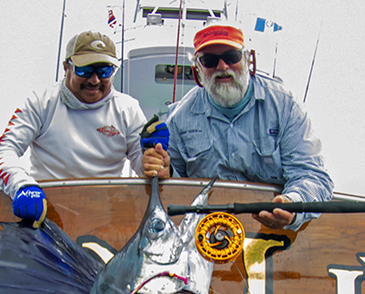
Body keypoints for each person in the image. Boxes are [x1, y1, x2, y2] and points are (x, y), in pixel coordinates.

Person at [141, 23, 333, 230]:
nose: (222, 67)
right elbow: (174, 186)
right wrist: (165, 170)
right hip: (206, 230)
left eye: (231, 56)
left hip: (271, 233)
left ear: (248, 60)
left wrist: (292, 204)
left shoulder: (285, 105)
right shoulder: (178, 118)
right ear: (198, 69)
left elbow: (313, 176)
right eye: (209, 60)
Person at [0, 30, 148, 224]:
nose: (94, 80)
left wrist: (157, 159)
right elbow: (3, 149)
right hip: (49, 220)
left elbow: (144, 166)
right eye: (85, 70)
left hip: (107, 222)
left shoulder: (128, 108)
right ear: (67, 67)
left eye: (104, 71)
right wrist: (22, 185)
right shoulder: (42, 103)